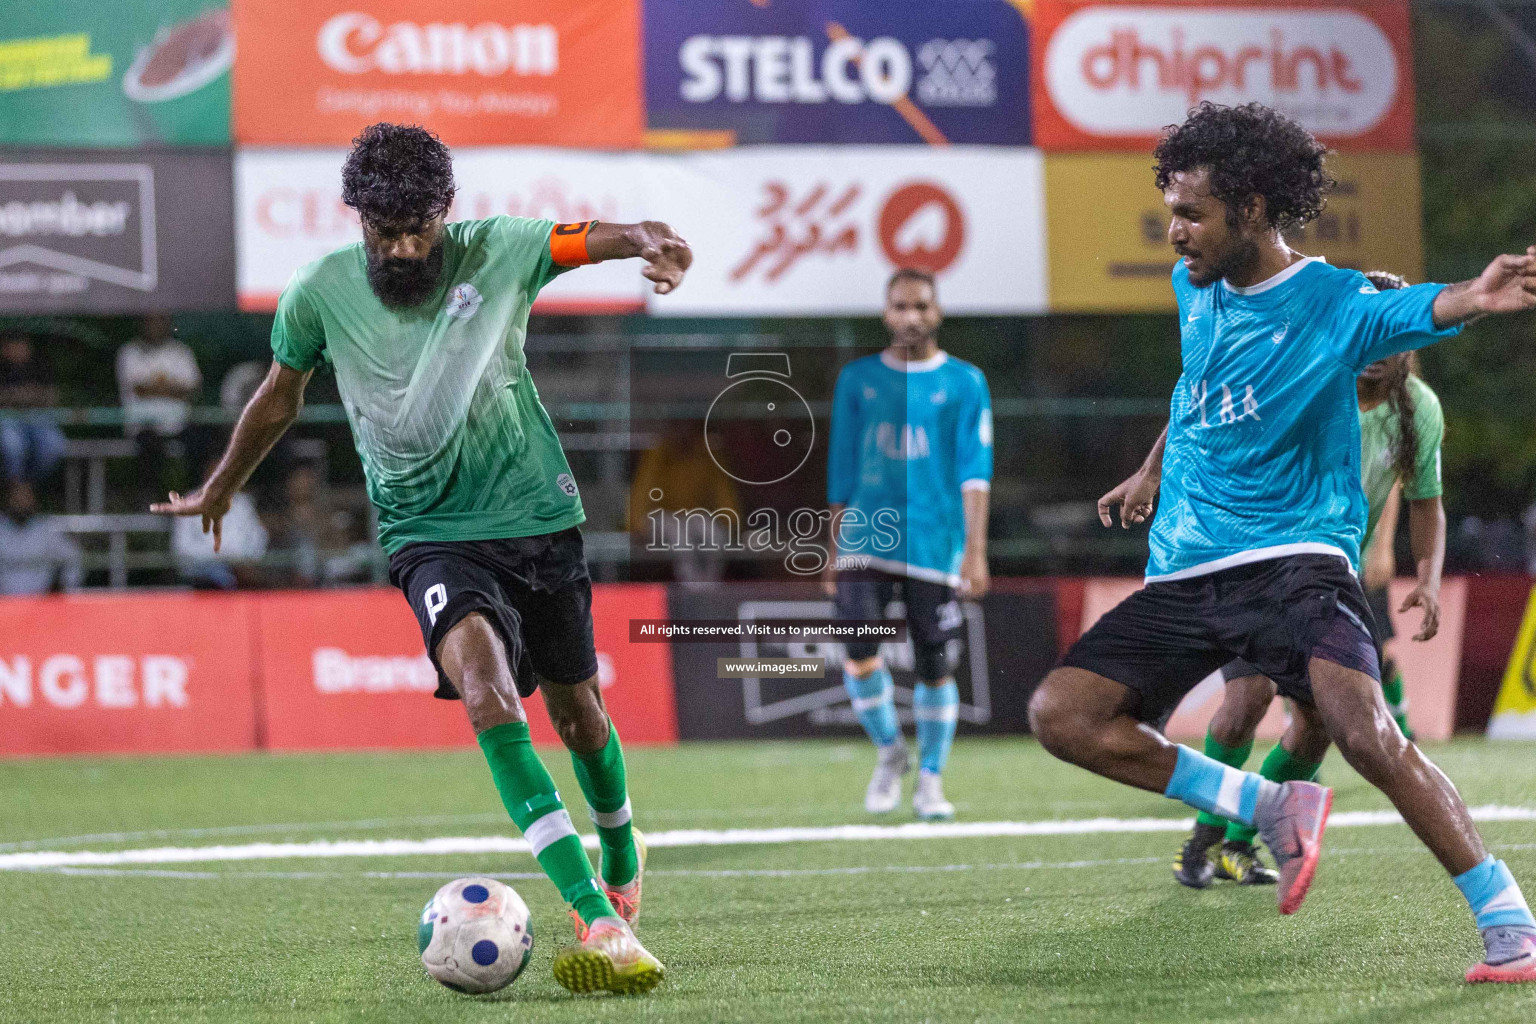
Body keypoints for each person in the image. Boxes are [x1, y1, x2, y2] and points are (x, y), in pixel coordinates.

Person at [152, 123, 690, 995]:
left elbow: (601, 236)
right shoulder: (320, 292)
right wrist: (220, 486)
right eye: (382, 232)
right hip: (427, 534)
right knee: (485, 693)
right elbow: (279, 396)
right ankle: (594, 915)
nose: (401, 248)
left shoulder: (502, 249)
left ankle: (623, 849)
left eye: (417, 230)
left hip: (536, 517)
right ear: (357, 219)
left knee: (581, 715)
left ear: (446, 212)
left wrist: (655, 243)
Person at [1033, 101, 1536, 983]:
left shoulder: (1336, 303)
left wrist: (1478, 298)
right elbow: (1200, 389)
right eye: (1171, 212)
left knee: (1365, 733)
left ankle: (1510, 922)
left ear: (1255, 208)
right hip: (1186, 574)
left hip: (1295, 567)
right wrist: (1152, 468)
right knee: (1061, 716)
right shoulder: (1195, 286)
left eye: (1191, 214)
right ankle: (1263, 806)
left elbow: (1425, 306)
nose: (1175, 233)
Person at [1107, 270, 1449, 888]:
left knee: (1320, 724)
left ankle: (1239, 846)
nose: (1375, 351)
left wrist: (1426, 576)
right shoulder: (1314, 370)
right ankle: (1203, 844)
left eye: (1389, 336)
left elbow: (1426, 499)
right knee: (1246, 702)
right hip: (1256, 557)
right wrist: (1151, 472)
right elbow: (1201, 401)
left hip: (1328, 578)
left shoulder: (1418, 411)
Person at [821, 268, 992, 820]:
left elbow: (976, 471)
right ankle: (891, 752)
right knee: (859, 650)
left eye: (921, 306)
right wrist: (831, 546)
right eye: (900, 306)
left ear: (937, 312)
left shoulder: (966, 381)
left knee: (934, 665)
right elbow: (841, 468)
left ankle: (932, 781)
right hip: (864, 538)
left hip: (934, 541)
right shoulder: (858, 379)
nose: (911, 316)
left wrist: (975, 551)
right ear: (885, 313)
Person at [118, 314, 202, 500]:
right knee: (150, 448)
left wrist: (154, 387)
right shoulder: (129, 352)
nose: (156, 325)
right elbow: (139, 389)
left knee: (202, 441)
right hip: (144, 427)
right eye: (151, 320)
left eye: (161, 320)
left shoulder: (181, 351)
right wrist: (171, 387)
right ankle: (151, 502)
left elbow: (191, 388)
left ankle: (193, 496)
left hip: (178, 424)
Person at [0, 331, 65, 484]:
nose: (20, 349)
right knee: (12, 445)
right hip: (7, 420)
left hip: (36, 419)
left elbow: (52, 397)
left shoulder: (38, 365)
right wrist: (17, 396)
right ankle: (16, 487)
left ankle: (28, 486)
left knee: (54, 445)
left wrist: (25, 397)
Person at [0, 480, 81, 595]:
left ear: (33, 499)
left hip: (41, 604)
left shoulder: (46, 528)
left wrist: (65, 590)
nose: (21, 502)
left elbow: (73, 557)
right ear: (8, 499)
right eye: (16, 498)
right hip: (5, 604)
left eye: (26, 497)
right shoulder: (1, 527)